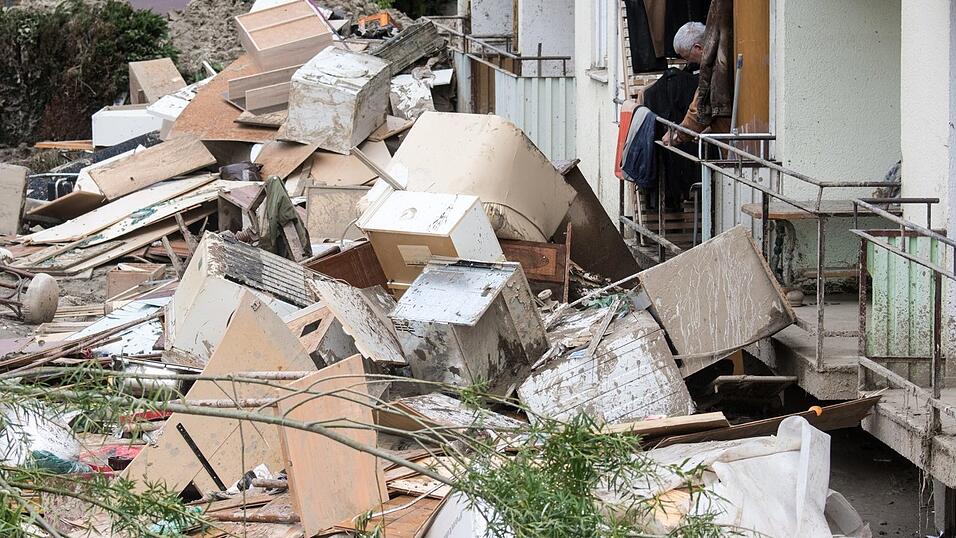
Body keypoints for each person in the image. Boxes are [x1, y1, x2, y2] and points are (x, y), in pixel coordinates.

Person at [663, 0, 734, 146]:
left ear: (698, 48)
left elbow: (699, 108)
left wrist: (677, 135)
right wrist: (710, 129)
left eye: (688, 57)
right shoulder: (725, 49)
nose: (689, 63)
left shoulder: (712, 66)